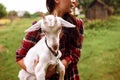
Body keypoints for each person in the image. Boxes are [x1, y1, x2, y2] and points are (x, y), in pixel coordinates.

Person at [16, 0, 84, 80]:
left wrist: (55, 69)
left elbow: (75, 54)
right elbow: (20, 57)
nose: (74, 1)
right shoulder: (39, 26)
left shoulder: (77, 24)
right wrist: (38, 72)